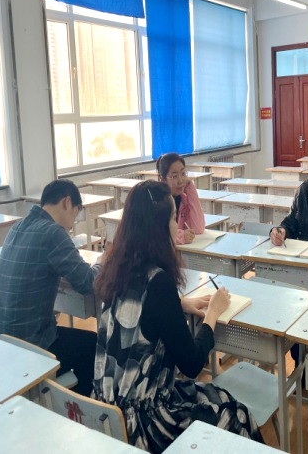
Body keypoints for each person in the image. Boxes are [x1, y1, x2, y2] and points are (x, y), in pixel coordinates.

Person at [92, 180, 263, 452]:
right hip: (146, 424)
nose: (177, 226)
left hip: (105, 412)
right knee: (236, 413)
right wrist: (213, 312)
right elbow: (192, 363)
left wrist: (178, 303)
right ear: (159, 228)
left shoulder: (114, 268)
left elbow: (140, 308)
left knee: (214, 397)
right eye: (173, 218)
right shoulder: (159, 282)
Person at [0, 179, 99, 396]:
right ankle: (81, 408)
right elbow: (87, 282)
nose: (72, 225)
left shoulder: (17, 227)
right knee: (93, 343)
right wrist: (102, 262)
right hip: (29, 348)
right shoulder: (53, 232)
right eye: (75, 214)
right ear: (67, 202)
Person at [157, 153, 204, 244]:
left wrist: (190, 187)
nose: (181, 180)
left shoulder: (183, 199)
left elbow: (198, 229)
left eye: (183, 174)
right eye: (174, 176)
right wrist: (181, 236)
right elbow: (158, 234)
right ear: (163, 179)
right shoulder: (157, 202)